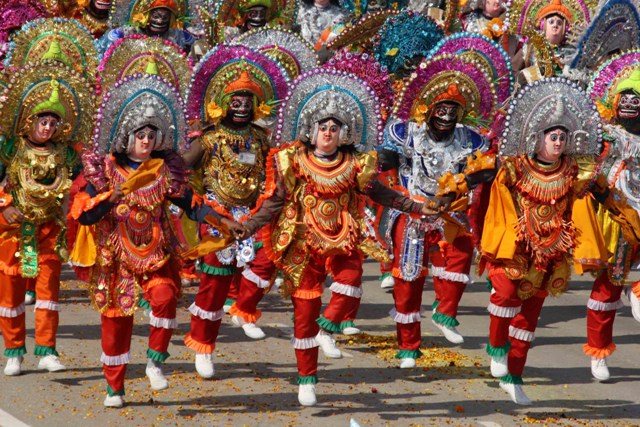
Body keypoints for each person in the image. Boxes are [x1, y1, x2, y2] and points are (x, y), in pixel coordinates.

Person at [239, 68, 435, 406]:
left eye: (334, 128)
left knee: (351, 280)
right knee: (304, 312)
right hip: (303, 242)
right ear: (311, 132)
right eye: (323, 128)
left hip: (343, 237)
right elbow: (274, 202)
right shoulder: (294, 161)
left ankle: (327, 328)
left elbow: (384, 194)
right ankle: (306, 380)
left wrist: (417, 206)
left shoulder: (356, 164)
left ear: (343, 133)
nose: (328, 134)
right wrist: (249, 225)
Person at [475, 77, 640, 405]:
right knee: (506, 296)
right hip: (514, 250)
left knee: (528, 319)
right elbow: (471, 179)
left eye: (564, 137)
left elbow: (607, 196)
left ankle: (515, 376)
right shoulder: (512, 167)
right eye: (554, 136)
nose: (559, 143)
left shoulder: (574, 173)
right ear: (538, 138)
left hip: (549, 255)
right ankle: (497, 349)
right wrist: (442, 197)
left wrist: (628, 220)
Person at [76, 72, 232, 408]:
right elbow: (83, 215)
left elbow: (191, 203)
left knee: (164, 296)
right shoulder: (104, 172)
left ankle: (154, 361)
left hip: (155, 254)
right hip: (116, 259)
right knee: (116, 323)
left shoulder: (164, 171)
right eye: (139, 134)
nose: (146, 141)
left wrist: (223, 222)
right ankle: (114, 388)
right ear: (124, 136)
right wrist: (107, 197)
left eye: (151, 135)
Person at [378, 54, 499, 362]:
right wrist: (390, 171)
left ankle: (445, 314)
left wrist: (463, 184)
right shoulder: (408, 132)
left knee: (460, 256)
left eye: (452, 111)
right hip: (412, 211)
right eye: (441, 109)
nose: (446, 116)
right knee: (409, 278)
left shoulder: (469, 139)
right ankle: (408, 346)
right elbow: (385, 157)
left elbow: (488, 168)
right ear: (428, 110)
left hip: (449, 212)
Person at [181, 45, 289, 378]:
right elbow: (180, 173)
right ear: (222, 105)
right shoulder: (209, 139)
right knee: (213, 285)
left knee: (268, 261)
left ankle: (244, 309)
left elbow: (275, 174)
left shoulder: (262, 138)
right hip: (216, 215)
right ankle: (203, 345)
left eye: (247, 102)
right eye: (235, 101)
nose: (241, 108)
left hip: (254, 214)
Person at [0, 61, 94, 376]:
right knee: (10, 296)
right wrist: (4, 207)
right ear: (29, 120)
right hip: (12, 233)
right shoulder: (9, 149)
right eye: (43, 120)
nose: (48, 127)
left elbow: (86, 184)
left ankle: (47, 351)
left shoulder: (66, 154)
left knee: (48, 295)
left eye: (54, 122)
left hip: (50, 232)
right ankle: (13, 351)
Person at [586, 59, 640, 381]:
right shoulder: (609, 135)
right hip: (617, 214)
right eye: (627, 99)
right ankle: (598, 350)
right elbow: (588, 163)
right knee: (608, 286)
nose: (632, 104)